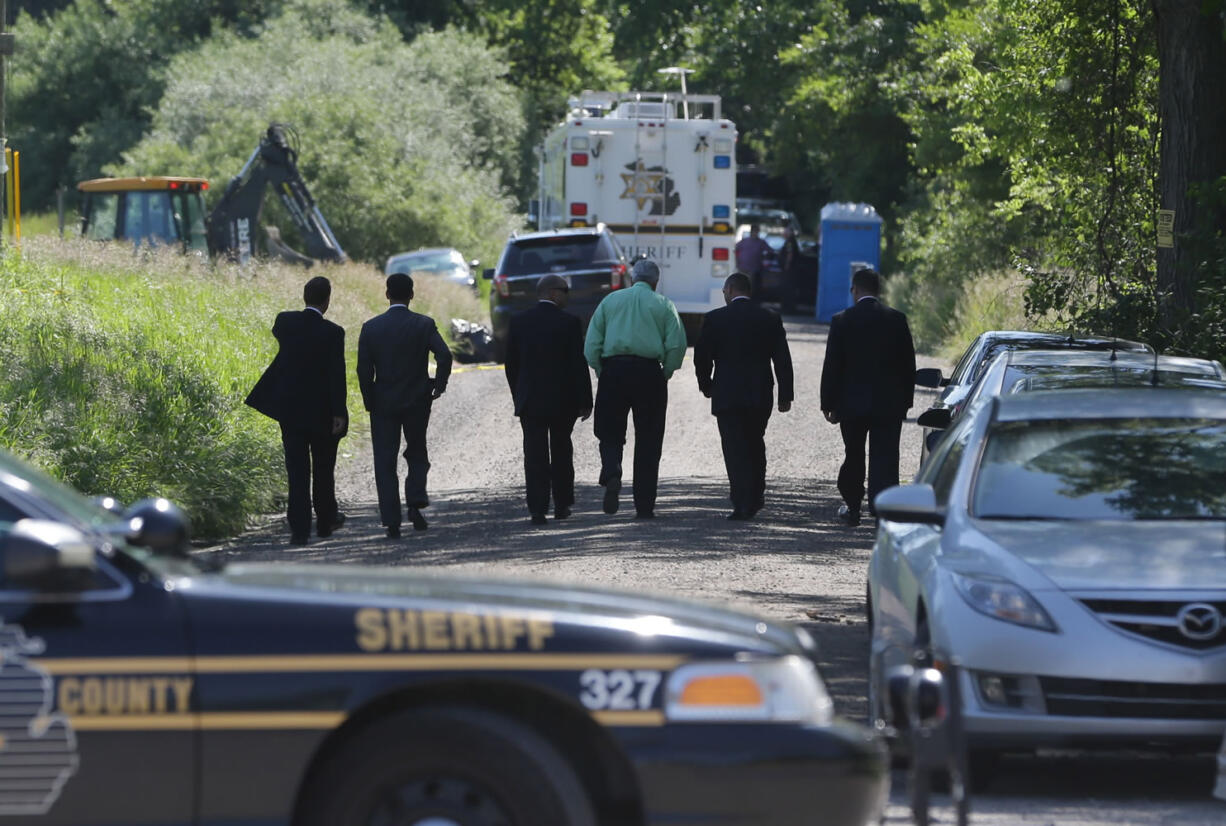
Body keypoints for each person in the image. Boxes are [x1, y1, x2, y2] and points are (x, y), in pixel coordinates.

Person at [245, 275, 348, 546]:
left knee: (297, 470)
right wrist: (340, 413)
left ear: (304, 297)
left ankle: (299, 529)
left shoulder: (286, 322)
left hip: (290, 411)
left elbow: (280, 329)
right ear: (328, 300)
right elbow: (338, 375)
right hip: (323, 411)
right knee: (324, 469)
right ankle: (326, 521)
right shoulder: (334, 332)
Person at [584, 259, 686, 518]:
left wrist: (600, 369)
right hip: (649, 373)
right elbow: (676, 345)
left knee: (609, 430)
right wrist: (665, 373)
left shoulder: (610, 301)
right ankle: (644, 505)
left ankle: (612, 470)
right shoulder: (664, 305)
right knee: (649, 439)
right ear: (656, 282)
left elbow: (591, 344)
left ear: (632, 278)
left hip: (614, 371)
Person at [357, 272, 453, 537]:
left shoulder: (371, 327)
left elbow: (363, 370)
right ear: (412, 295)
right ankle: (415, 502)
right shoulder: (423, 324)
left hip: (383, 403)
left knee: (384, 460)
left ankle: (391, 520)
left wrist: (369, 400)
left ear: (386, 294)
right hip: (417, 400)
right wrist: (438, 385)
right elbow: (444, 355)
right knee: (417, 452)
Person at [820, 268, 916, 526]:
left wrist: (827, 403)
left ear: (855, 290)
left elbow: (833, 365)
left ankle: (852, 508)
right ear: (879, 291)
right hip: (889, 404)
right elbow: (908, 365)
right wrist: (907, 401)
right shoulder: (897, 319)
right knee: (885, 457)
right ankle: (881, 510)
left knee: (854, 454)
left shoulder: (842, 320)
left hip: (851, 404)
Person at [694, 272, 794, 520]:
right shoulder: (769, 318)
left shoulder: (715, 319)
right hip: (759, 393)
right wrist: (785, 394)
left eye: (724, 291)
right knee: (755, 442)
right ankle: (756, 494)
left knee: (733, 447)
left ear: (729, 290)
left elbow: (702, 357)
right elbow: (782, 358)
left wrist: (706, 385)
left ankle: (741, 501)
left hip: (727, 393)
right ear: (748, 291)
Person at [505, 274, 593, 525]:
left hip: (530, 401)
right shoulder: (569, 323)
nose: (568, 295)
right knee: (562, 451)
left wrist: (518, 395)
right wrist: (585, 400)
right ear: (553, 293)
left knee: (534, 455)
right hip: (563, 401)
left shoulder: (519, 322)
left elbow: (511, 364)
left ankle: (537, 508)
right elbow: (578, 364)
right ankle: (562, 504)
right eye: (565, 290)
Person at [734, 223, 772, 298]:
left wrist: (765, 258)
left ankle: (748, 300)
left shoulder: (761, 242)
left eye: (757, 231)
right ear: (751, 232)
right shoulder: (744, 241)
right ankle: (740, 299)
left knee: (750, 285)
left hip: (753, 269)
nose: (756, 233)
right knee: (741, 284)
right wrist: (737, 262)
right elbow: (735, 249)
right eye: (754, 231)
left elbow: (770, 251)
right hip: (742, 267)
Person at [778, 227, 802, 314]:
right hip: (791, 270)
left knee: (788, 289)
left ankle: (788, 309)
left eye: (785, 232)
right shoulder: (792, 241)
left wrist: (786, 266)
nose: (783, 234)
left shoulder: (790, 242)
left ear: (789, 233)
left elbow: (790, 254)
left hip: (789, 271)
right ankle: (789, 308)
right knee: (789, 289)